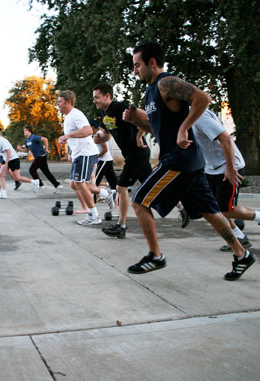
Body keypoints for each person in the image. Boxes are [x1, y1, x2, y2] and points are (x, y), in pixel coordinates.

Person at [123, 42, 255, 281]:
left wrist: (185, 127)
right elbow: (158, 128)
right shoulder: (151, 91)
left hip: (179, 160)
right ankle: (242, 253)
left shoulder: (166, 82)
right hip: (190, 162)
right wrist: (136, 121)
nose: (135, 71)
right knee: (210, 210)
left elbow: (203, 98)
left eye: (137, 65)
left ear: (152, 62)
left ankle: (155, 255)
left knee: (139, 201)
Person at [192, 109, 260, 251]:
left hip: (228, 167)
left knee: (226, 210)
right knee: (213, 208)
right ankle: (239, 237)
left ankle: (258, 217)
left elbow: (226, 138)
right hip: (211, 168)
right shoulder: (183, 118)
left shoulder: (199, 116)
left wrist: (230, 168)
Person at [92, 83, 152, 238]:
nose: (94, 101)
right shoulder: (104, 116)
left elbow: (146, 116)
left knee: (121, 187)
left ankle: (121, 226)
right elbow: (107, 135)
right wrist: (99, 138)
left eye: (97, 97)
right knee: (152, 186)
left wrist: (139, 136)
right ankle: (181, 207)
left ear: (107, 96)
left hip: (137, 152)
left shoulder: (120, 107)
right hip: (133, 155)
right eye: (94, 98)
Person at [57, 90, 116, 225]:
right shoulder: (68, 117)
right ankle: (107, 194)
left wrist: (67, 136)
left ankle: (93, 215)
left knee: (79, 183)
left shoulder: (76, 114)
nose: (58, 104)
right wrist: (71, 151)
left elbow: (88, 130)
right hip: (80, 154)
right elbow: (76, 136)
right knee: (75, 184)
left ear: (68, 102)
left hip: (86, 153)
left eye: (60, 101)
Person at [0, 129, 40, 198]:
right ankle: (3, 193)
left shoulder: (2, 141)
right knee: (1, 175)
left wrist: (6, 163)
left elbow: (8, 151)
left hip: (13, 160)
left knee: (17, 177)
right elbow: (3, 152)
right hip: (7, 160)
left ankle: (35, 182)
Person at [17, 126, 63, 194]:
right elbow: (27, 150)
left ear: (30, 131)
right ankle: (57, 185)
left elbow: (45, 139)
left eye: (26, 130)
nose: (24, 132)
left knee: (32, 170)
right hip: (38, 157)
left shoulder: (34, 137)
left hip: (41, 156)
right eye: (24, 130)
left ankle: (40, 185)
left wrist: (46, 149)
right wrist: (20, 149)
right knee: (46, 172)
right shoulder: (27, 140)